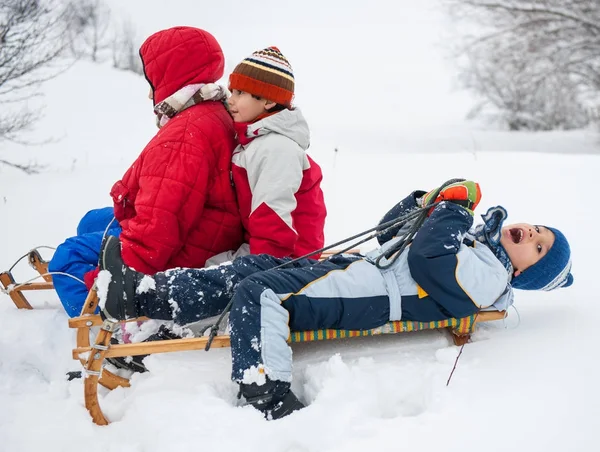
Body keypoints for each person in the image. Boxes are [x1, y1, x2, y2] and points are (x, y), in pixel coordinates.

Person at [96, 180, 574, 420]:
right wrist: (423, 202)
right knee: (254, 268)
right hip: (361, 272)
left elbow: (430, 262)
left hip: (371, 296)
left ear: (525, 271)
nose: (533, 234)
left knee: (260, 293)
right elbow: (394, 235)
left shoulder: (490, 278)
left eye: (539, 248)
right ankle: (138, 296)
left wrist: (450, 209)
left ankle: (267, 389)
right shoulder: (473, 242)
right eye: (539, 232)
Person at [48, 26, 244, 317]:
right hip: (208, 224)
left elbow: (157, 234)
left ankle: (101, 324)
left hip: (191, 245)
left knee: (67, 257)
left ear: (173, 76)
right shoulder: (213, 111)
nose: (150, 92)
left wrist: (111, 286)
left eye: (153, 80)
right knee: (90, 222)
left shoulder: (184, 135)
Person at [206, 46, 326, 265]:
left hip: (287, 259)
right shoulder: (256, 143)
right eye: (232, 91)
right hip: (263, 249)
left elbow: (273, 217)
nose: (230, 100)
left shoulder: (277, 148)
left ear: (269, 101)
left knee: (206, 272)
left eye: (240, 93)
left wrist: (258, 271)